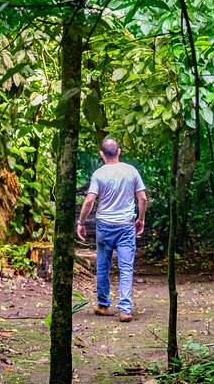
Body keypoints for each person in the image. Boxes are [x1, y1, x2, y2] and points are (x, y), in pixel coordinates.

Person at [76, 138, 147, 323]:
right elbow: (143, 198)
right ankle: (125, 309)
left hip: (105, 226)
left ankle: (103, 304)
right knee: (126, 267)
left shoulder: (99, 174)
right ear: (119, 151)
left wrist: (81, 223)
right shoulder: (131, 171)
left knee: (103, 266)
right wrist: (141, 219)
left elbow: (90, 200)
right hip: (126, 225)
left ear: (101, 154)